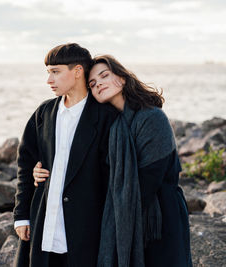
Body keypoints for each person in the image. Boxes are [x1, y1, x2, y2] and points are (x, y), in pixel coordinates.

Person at [33, 55, 193, 267]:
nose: (98, 83)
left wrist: (110, 216)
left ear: (123, 78)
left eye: (104, 75)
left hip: (159, 217)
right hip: (124, 216)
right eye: (92, 83)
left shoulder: (152, 118)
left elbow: (149, 178)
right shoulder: (112, 125)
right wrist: (43, 171)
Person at [13, 44, 118, 266]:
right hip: (44, 224)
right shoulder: (44, 113)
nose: (49, 80)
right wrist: (21, 216)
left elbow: (113, 177)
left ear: (78, 71)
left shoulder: (106, 117)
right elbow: (26, 164)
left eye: (55, 72)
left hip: (86, 230)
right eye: (48, 73)